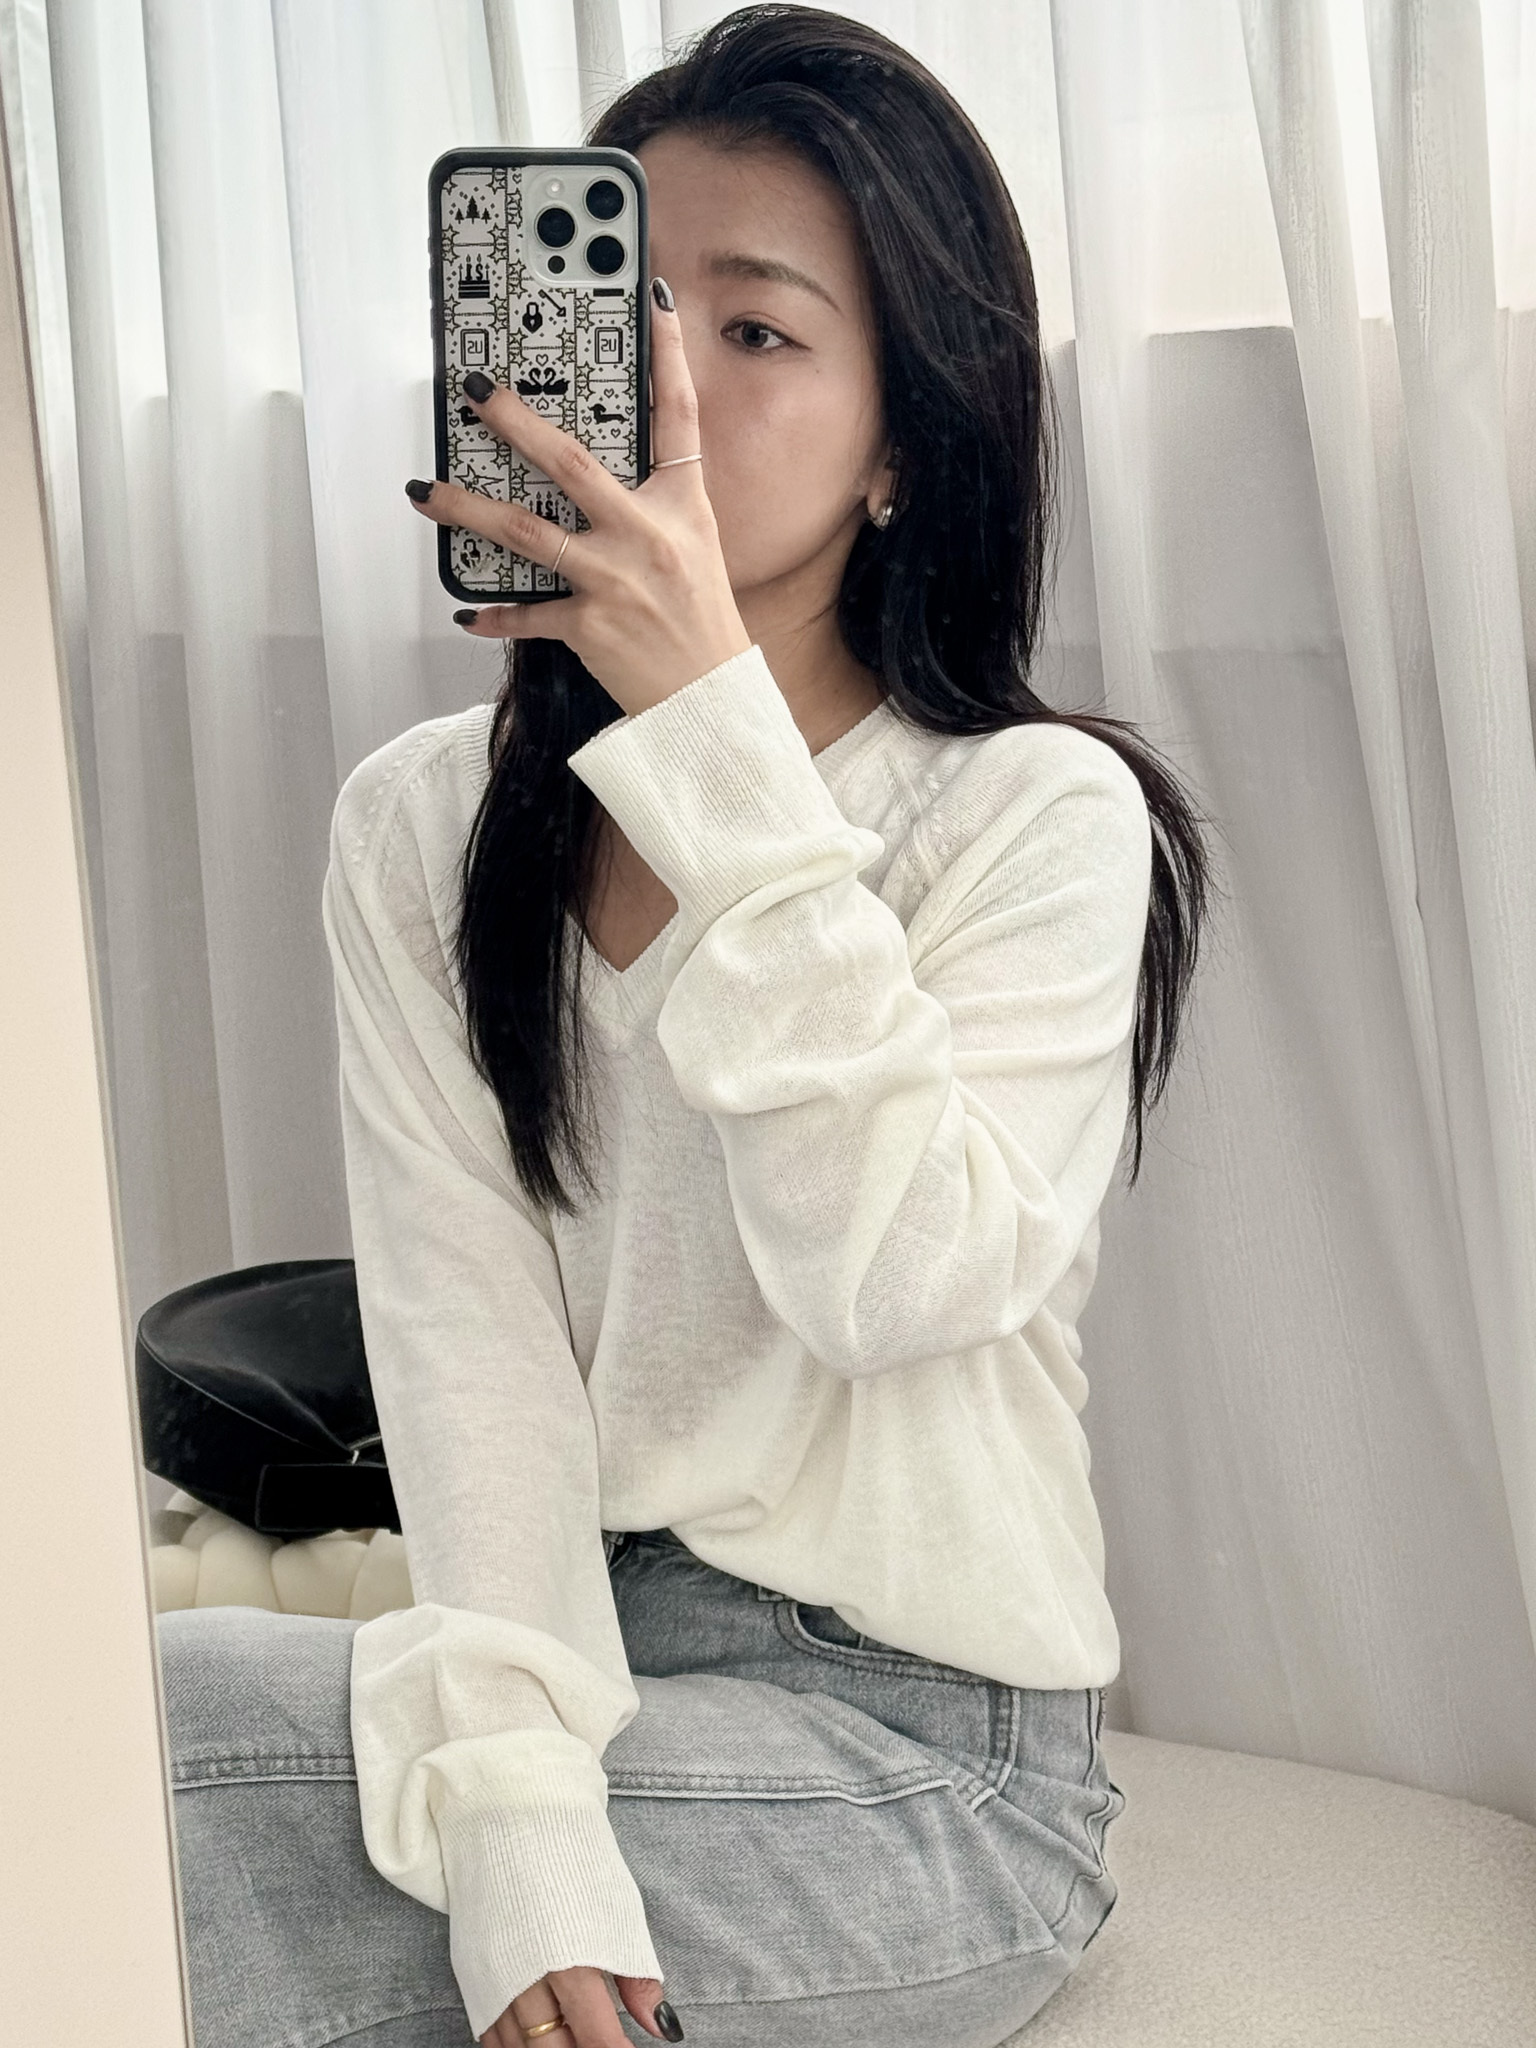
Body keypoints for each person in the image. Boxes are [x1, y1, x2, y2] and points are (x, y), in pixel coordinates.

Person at [157, 7, 1215, 2046]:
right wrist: (519, 1824)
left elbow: (896, 1278)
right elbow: (471, 1364)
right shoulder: (421, 827)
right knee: (122, 1706)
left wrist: (707, 732)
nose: (665, 388)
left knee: (144, 1791)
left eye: (755, 330)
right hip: (595, 1683)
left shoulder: (1034, 815)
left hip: (931, 1769)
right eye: (623, 314)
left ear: (902, 440)